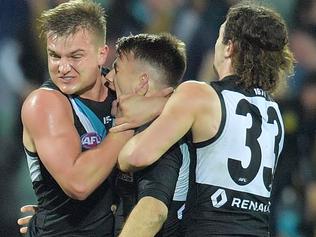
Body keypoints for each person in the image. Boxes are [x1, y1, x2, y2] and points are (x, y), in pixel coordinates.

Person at [113, 2, 295, 236]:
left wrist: (122, 145)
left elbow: (137, 157)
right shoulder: (274, 113)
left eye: (220, 38)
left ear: (229, 47)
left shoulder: (200, 95)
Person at [20, 0, 135, 236]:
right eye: (54, 55)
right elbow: (78, 184)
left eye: (75, 56)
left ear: (102, 54)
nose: (63, 67)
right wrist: (128, 123)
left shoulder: (125, 90)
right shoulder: (43, 103)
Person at [107, 33, 188, 237]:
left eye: (116, 70)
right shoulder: (160, 125)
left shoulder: (158, 136)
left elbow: (153, 212)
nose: (108, 78)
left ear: (143, 82)